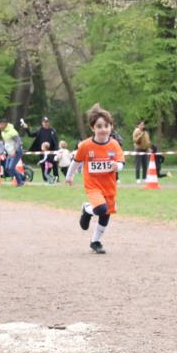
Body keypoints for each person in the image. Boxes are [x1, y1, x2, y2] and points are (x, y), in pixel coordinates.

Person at [65, 104, 125, 254]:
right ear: (93, 128)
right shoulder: (86, 145)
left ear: (111, 127)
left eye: (106, 126)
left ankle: (95, 241)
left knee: (106, 214)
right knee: (100, 209)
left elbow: (121, 162)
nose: (103, 129)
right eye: (99, 126)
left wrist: (117, 166)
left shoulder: (114, 144)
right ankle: (87, 209)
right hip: (93, 186)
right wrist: (69, 176)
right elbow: (76, 162)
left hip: (109, 186)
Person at [0, 117, 25, 186]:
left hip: (16, 152)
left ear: (3, 124)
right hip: (10, 152)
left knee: (11, 168)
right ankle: (22, 177)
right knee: (7, 168)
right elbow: (6, 143)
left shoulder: (12, 132)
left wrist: (15, 151)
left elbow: (18, 142)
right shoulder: (3, 132)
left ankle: (20, 182)